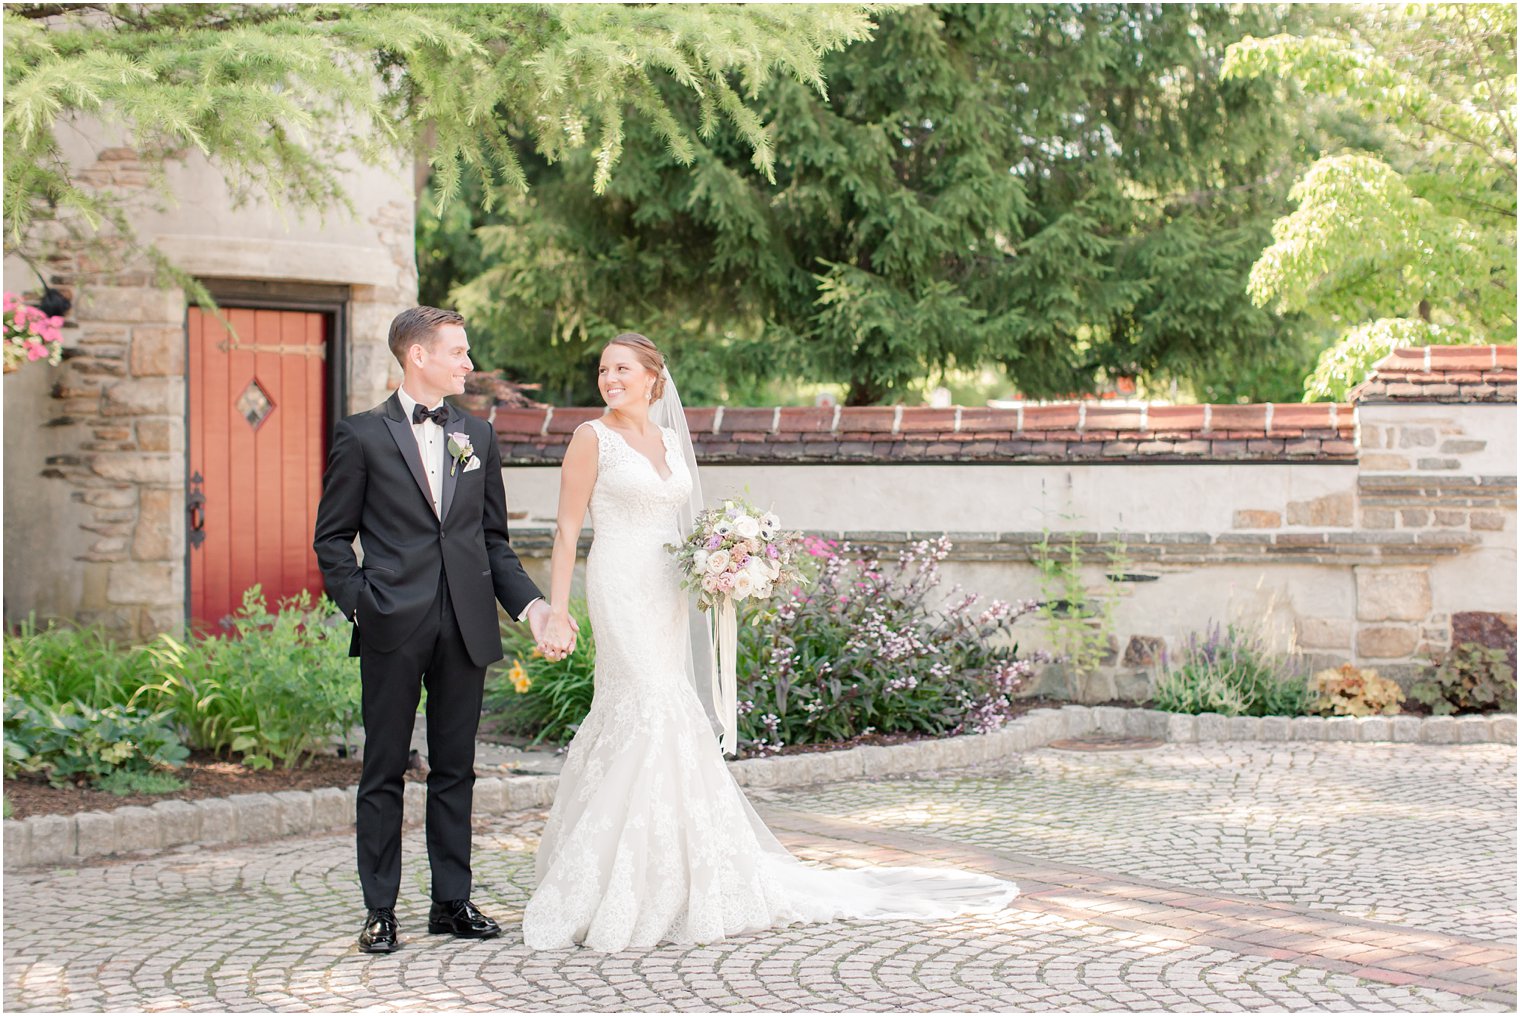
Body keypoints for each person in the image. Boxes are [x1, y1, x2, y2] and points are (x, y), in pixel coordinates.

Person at [521, 332, 1017, 952]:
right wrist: (557, 612)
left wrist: (724, 560)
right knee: (646, 705)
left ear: (653, 377)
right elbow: (566, 532)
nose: (610, 379)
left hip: (668, 588)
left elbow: (685, 524)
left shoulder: (670, 439)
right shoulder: (591, 438)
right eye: (603, 369)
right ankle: (613, 881)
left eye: (622, 368)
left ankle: (674, 871)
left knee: (666, 706)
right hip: (620, 583)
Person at [313, 306, 574, 954]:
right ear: (418, 356)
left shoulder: (477, 435)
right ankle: (380, 911)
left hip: (465, 625)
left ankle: (451, 902)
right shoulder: (361, 435)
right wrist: (362, 605)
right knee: (383, 769)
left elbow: (493, 542)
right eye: (458, 352)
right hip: (391, 625)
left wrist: (535, 609)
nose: (468, 363)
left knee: (456, 770)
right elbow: (332, 540)